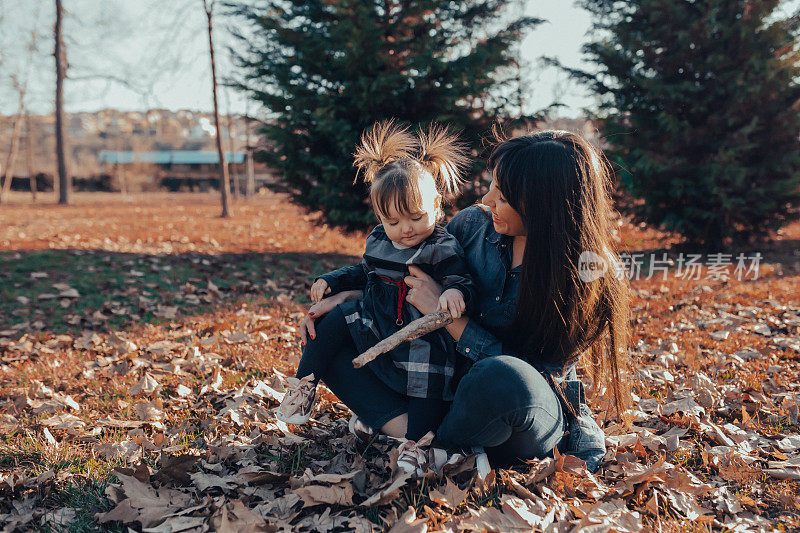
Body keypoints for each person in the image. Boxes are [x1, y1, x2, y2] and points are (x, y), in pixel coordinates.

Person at [298, 129, 630, 473]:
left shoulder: (590, 275)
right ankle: (423, 440)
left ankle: (420, 437)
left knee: (502, 377)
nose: (486, 200)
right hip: (441, 387)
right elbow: (404, 274)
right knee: (324, 334)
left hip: (520, 411)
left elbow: (540, 378)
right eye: (491, 186)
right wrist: (348, 297)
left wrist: (447, 318)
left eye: (502, 196)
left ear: (542, 204)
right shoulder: (472, 226)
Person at [277, 120, 476, 475]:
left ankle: (419, 445)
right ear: (380, 217)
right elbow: (362, 272)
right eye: (394, 221)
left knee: (426, 387)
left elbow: (462, 278)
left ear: (437, 205)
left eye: (416, 217)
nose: (406, 230)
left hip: (423, 338)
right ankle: (304, 384)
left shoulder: (441, 246)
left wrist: (455, 292)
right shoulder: (381, 240)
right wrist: (331, 282)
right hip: (378, 322)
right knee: (334, 318)